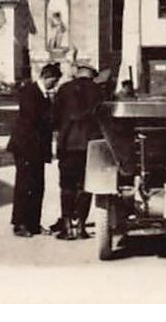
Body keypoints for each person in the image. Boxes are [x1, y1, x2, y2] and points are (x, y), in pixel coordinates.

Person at [50, 58, 103, 239]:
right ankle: (80, 227)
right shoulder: (100, 91)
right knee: (86, 185)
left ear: (78, 71)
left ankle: (66, 227)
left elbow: (54, 118)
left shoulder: (64, 89)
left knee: (67, 185)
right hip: (92, 145)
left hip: (68, 144)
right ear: (92, 74)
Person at [8, 63, 61, 237]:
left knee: (38, 186)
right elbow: (35, 119)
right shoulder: (29, 93)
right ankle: (20, 224)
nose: (55, 85)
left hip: (37, 149)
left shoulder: (43, 94)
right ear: (48, 78)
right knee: (25, 185)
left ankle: (34, 223)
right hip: (25, 147)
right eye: (54, 81)